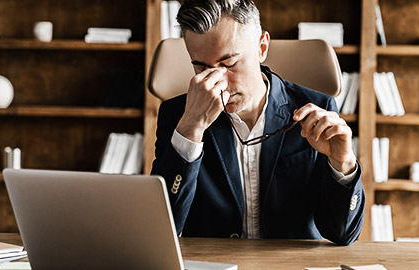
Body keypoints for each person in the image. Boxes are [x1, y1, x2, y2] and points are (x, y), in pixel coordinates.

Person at [151, 0, 365, 246]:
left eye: (229, 64)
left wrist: (343, 164)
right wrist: (190, 130)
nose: (217, 82)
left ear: (262, 47)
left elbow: (343, 234)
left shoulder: (318, 109)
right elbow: (164, 229)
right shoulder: (177, 115)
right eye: (200, 67)